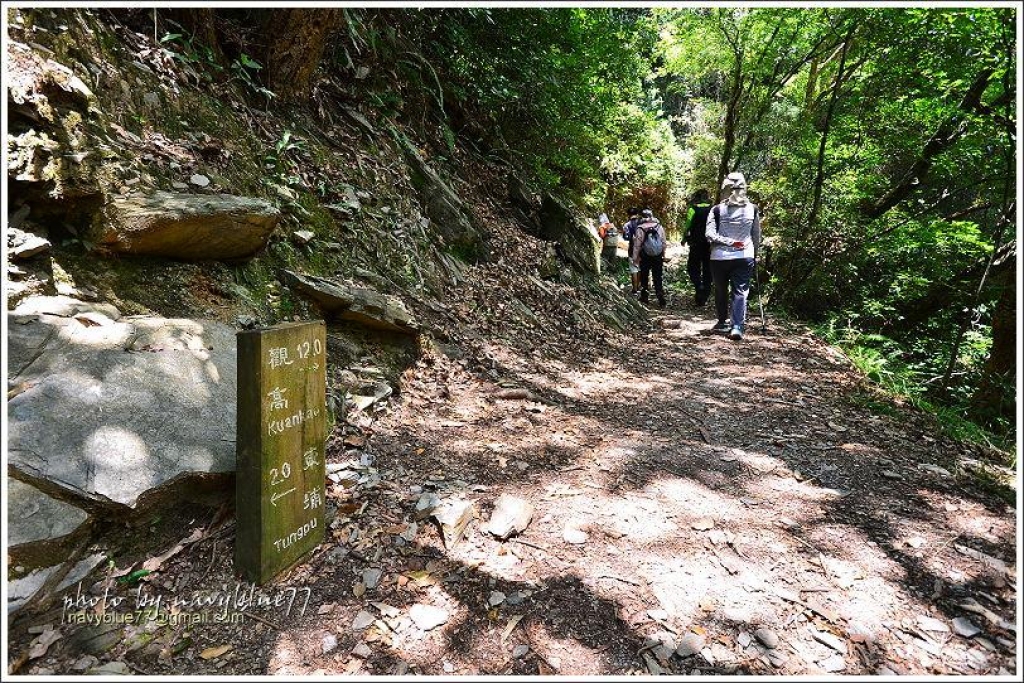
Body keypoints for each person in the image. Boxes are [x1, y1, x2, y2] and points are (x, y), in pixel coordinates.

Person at [706, 172, 760, 340]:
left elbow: (709, 235)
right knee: (741, 291)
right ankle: (736, 326)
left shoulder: (716, 210)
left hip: (719, 257)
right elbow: (756, 236)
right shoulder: (753, 209)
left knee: (720, 289)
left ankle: (722, 321)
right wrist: (754, 254)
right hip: (745, 256)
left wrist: (728, 242)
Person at [631, 208, 667, 308]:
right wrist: (663, 254)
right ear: (652, 216)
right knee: (657, 276)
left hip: (645, 256)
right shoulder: (659, 226)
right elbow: (663, 242)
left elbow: (637, 245)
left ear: (642, 217)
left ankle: (644, 296)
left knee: (644, 276)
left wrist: (635, 258)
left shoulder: (640, 228)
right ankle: (659, 294)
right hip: (657, 256)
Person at [683, 189, 713, 306]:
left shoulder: (692, 208)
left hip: (695, 243)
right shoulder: (713, 209)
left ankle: (698, 285)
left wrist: (684, 238)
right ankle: (704, 295)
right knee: (708, 269)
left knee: (692, 268)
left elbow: (688, 224)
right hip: (710, 243)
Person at [620, 207, 642, 294]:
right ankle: (640, 287)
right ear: (637, 214)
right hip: (642, 249)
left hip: (632, 249)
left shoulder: (626, 225)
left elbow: (626, 238)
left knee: (633, 270)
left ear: (628, 215)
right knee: (640, 269)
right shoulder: (642, 223)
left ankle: (634, 290)